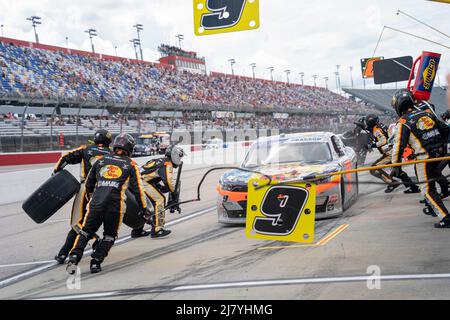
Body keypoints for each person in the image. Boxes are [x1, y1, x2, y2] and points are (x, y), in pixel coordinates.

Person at [66, 133, 149, 273]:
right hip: (115, 207)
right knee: (109, 236)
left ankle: (74, 256)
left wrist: (93, 197)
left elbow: (88, 184)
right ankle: (95, 262)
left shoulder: (100, 161)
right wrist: (144, 209)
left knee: (86, 232)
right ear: (130, 148)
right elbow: (138, 190)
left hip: (96, 204)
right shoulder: (131, 165)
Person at [391, 89, 450, 228]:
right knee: (434, 176)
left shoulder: (403, 122)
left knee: (427, 190)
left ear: (398, 105)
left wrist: (396, 167)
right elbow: (446, 129)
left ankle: (445, 217)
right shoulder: (427, 113)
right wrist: (443, 146)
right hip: (440, 154)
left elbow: (398, 147)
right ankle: (440, 198)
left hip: (424, 158)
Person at [53, 129, 112, 264]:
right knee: (88, 221)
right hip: (106, 190)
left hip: (86, 188)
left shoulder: (86, 149)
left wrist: (56, 172)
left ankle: (94, 240)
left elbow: (65, 158)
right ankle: (63, 253)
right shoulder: (112, 153)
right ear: (109, 141)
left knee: (76, 223)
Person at [131, 145, 184, 239]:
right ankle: (157, 230)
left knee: (144, 206)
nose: (179, 159)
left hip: (135, 181)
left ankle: (137, 230)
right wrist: (175, 196)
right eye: (179, 157)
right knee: (159, 200)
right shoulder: (167, 164)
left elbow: (150, 175)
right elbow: (170, 183)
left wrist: (160, 187)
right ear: (174, 156)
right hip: (141, 182)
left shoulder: (159, 160)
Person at [365, 114, 420, 194]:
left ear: (370, 122)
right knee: (397, 172)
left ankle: (392, 183)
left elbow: (383, 141)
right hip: (393, 150)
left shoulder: (376, 129)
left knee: (373, 169)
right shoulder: (381, 125)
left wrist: (372, 145)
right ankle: (413, 187)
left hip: (389, 153)